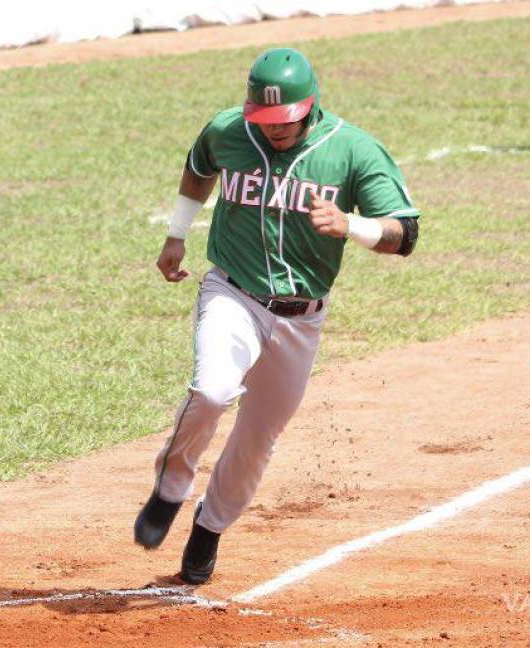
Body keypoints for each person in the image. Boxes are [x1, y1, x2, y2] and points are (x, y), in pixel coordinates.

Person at [133, 47, 420, 584]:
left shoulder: (353, 150)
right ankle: (170, 487)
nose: (273, 132)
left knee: (258, 436)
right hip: (232, 291)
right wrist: (177, 232)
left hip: (300, 319)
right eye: (263, 122)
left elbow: (406, 234)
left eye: (284, 122)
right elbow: (199, 168)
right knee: (213, 390)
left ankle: (207, 531)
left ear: (309, 106)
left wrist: (351, 226)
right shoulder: (229, 130)